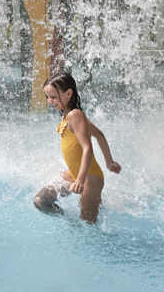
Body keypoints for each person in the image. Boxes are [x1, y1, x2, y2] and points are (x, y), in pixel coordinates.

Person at [33, 71, 121, 223]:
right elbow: (99, 134)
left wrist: (80, 180)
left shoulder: (75, 115)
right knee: (40, 201)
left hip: (90, 179)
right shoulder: (68, 115)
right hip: (74, 173)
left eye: (53, 96)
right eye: (47, 96)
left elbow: (88, 148)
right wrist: (109, 161)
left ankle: (78, 222)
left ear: (68, 93)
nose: (49, 101)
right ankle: (69, 221)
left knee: (88, 226)